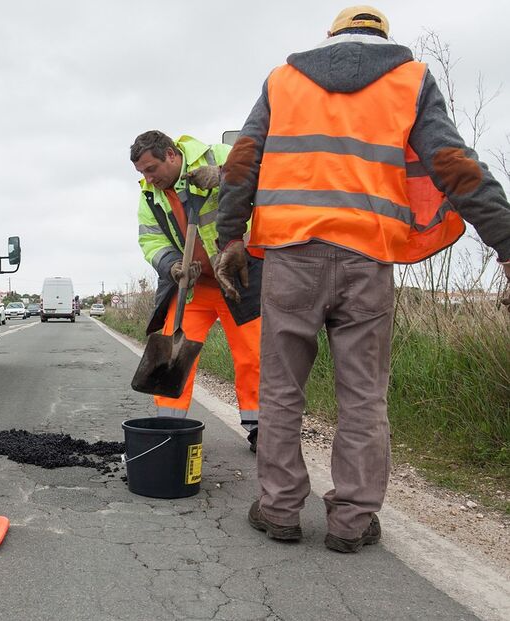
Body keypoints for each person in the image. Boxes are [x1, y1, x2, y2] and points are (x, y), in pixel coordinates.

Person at [213, 6, 510, 553]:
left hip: (290, 256)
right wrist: (506, 242)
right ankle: (352, 521)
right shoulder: (410, 78)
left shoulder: (283, 80)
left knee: (280, 393)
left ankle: (279, 508)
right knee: (364, 398)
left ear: (331, 37)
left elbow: (242, 162)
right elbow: (455, 165)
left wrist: (230, 239)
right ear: (384, 38)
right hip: (367, 260)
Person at [130, 130, 263, 452]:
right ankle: (168, 425)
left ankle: (263, 429)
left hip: (239, 276)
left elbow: (270, 179)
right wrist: (173, 264)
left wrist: (224, 176)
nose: (148, 178)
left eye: (151, 169)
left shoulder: (219, 154)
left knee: (253, 355)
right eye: (142, 173)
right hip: (193, 288)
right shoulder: (150, 194)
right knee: (172, 354)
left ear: (172, 156)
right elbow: (150, 240)